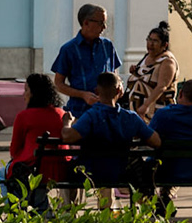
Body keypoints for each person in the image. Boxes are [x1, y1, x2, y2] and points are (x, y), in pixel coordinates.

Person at [62, 72, 161, 210]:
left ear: (96, 91)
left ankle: (69, 214)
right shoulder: (130, 118)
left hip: (89, 173)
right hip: (120, 173)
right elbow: (156, 141)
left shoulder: (91, 116)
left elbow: (68, 137)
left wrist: (67, 122)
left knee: (66, 169)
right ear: (120, 91)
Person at [2, 72, 69, 211]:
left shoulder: (24, 116)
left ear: (34, 93)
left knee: (3, 174)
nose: (23, 94)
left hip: (36, 169)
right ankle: (40, 207)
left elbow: (14, 151)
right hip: (60, 170)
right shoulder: (61, 114)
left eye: (26, 90)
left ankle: (15, 213)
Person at [52, 4, 121, 120]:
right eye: (100, 23)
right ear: (86, 23)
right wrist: (82, 94)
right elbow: (59, 84)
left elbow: (114, 74)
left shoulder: (107, 46)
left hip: (107, 112)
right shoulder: (69, 49)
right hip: (80, 113)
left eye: (105, 23)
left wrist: (119, 85)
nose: (104, 27)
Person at [124, 22, 179, 121]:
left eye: (155, 41)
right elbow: (146, 77)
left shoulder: (167, 61)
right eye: (149, 39)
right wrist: (135, 72)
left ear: (164, 45)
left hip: (156, 112)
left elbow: (162, 86)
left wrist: (145, 106)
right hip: (137, 109)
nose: (150, 44)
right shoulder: (147, 56)